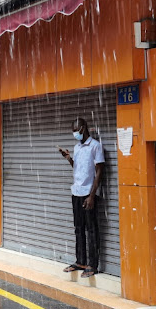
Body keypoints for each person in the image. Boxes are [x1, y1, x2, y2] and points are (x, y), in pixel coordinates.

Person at [58, 118, 104, 278]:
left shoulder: (95, 146)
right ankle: (81, 261)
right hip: (76, 192)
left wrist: (92, 195)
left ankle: (93, 265)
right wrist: (68, 158)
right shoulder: (77, 147)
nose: (74, 133)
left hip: (88, 193)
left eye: (76, 129)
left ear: (83, 128)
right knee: (78, 229)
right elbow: (77, 168)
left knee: (91, 229)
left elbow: (99, 171)